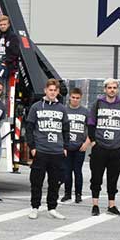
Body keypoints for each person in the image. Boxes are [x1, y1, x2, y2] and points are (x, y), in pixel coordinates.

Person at [24, 79, 68, 220]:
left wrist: (65, 147)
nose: (52, 92)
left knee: (55, 182)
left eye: (55, 90)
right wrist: (32, 147)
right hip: (41, 151)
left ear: (58, 92)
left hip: (57, 151)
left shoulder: (62, 108)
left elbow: (66, 129)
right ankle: (34, 207)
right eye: (50, 90)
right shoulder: (36, 107)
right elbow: (29, 128)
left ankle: (52, 208)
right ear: (45, 90)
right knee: (36, 181)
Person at [86, 79, 120, 216]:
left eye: (114, 88)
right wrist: (93, 141)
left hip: (116, 148)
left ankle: (112, 205)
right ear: (105, 89)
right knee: (96, 177)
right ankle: (95, 205)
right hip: (100, 147)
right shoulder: (98, 103)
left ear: (117, 89)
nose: (112, 90)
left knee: (113, 178)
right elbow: (91, 123)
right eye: (109, 87)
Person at [60, 87, 90, 204]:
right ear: (69, 98)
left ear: (80, 98)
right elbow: (60, 128)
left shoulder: (85, 112)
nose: (75, 100)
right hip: (67, 146)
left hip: (80, 147)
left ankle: (78, 194)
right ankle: (67, 193)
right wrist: (62, 146)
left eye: (77, 98)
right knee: (67, 171)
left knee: (78, 171)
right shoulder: (64, 110)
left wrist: (86, 143)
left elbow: (91, 128)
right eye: (73, 97)